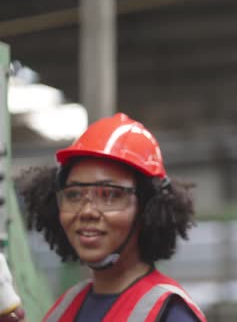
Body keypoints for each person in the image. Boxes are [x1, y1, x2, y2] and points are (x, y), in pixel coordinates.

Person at [19, 113, 207, 322]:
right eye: (74, 194)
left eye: (109, 195)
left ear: (148, 209)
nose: (87, 211)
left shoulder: (170, 313)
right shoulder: (65, 308)